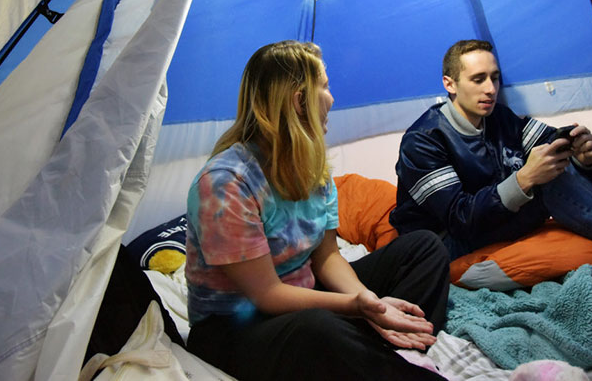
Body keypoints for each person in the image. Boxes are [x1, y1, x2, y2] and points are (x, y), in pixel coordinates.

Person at [184, 40, 451, 381]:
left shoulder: (312, 168)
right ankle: (368, 354)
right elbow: (267, 295)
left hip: (307, 302)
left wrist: (367, 300)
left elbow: (326, 256)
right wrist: (357, 307)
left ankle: (370, 346)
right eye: (324, 86)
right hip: (237, 328)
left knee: (425, 248)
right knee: (318, 329)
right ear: (299, 101)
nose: (332, 98)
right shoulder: (225, 183)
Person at [391, 39, 592, 278]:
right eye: (478, 79)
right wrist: (525, 178)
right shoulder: (423, 140)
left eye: (495, 78)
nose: (491, 89)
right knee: (547, 181)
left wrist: (584, 155)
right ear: (450, 84)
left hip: (489, 219)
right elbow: (460, 219)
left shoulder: (497, 117)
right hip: (443, 243)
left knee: (556, 163)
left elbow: (551, 141)